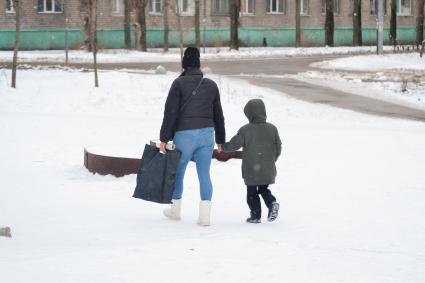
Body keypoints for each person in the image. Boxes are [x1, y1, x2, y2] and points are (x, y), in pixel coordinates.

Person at [159, 47, 225, 226]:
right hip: (206, 135)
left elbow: (170, 113)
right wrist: (220, 140)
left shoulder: (178, 84)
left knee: (178, 172)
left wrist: (164, 138)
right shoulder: (211, 85)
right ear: (199, 63)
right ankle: (204, 217)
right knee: (204, 174)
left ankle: (175, 210)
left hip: (184, 135)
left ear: (184, 64)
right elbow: (218, 115)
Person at [222, 99, 281, 223]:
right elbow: (278, 147)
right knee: (264, 189)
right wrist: (271, 160)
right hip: (267, 167)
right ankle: (271, 203)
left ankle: (255, 216)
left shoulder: (245, 130)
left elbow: (235, 144)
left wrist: (223, 147)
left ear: (249, 114)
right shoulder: (272, 128)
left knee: (252, 193)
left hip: (251, 168)